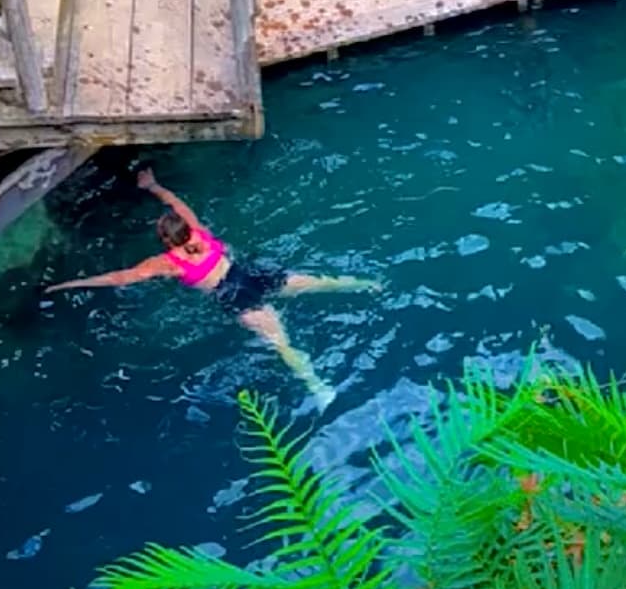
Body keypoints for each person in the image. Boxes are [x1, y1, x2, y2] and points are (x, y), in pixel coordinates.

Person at [45, 168, 380, 410]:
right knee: (319, 283)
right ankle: (370, 285)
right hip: (250, 271)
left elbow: (119, 278)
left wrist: (70, 283)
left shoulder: (168, 263)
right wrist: (153, 185)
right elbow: (176, 203)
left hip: (234, 295)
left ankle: (319, 388)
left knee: (281, 343)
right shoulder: (198, 229)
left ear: (166, 240)